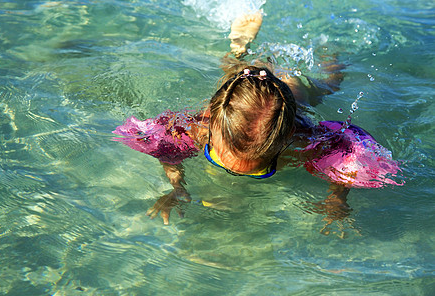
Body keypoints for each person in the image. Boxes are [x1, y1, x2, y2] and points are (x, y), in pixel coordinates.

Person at [113, 13, 403, 226]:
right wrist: (176, 187)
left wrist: (337, 197)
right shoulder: (199, 128)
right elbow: (169, 152)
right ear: (212, 128)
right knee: (234, 70)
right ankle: (239, 45)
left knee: (330, 83)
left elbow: (345, 157)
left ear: (285, 141)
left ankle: (330, 47)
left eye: (259, 169)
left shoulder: (302, 140)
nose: (236, 173)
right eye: (216, 158)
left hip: (294, 94)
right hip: (237, 97)